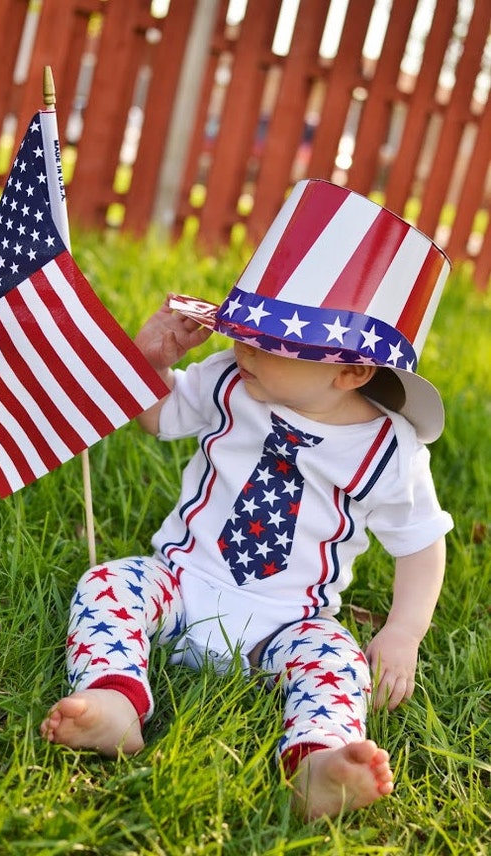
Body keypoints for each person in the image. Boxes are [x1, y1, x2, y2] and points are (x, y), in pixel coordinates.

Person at [41, 179, 453, 820]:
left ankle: (319, 761)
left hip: (288, 622)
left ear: (350, 372)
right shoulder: (234, 378)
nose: (243, 347)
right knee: (108, 584)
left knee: (339, 660)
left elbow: (422, 542)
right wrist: (150, 364)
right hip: (181, 582)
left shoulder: (388, 448)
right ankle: (114, 701)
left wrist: (404, 631)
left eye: (271, 343)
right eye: (243, 332)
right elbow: (158, 417)